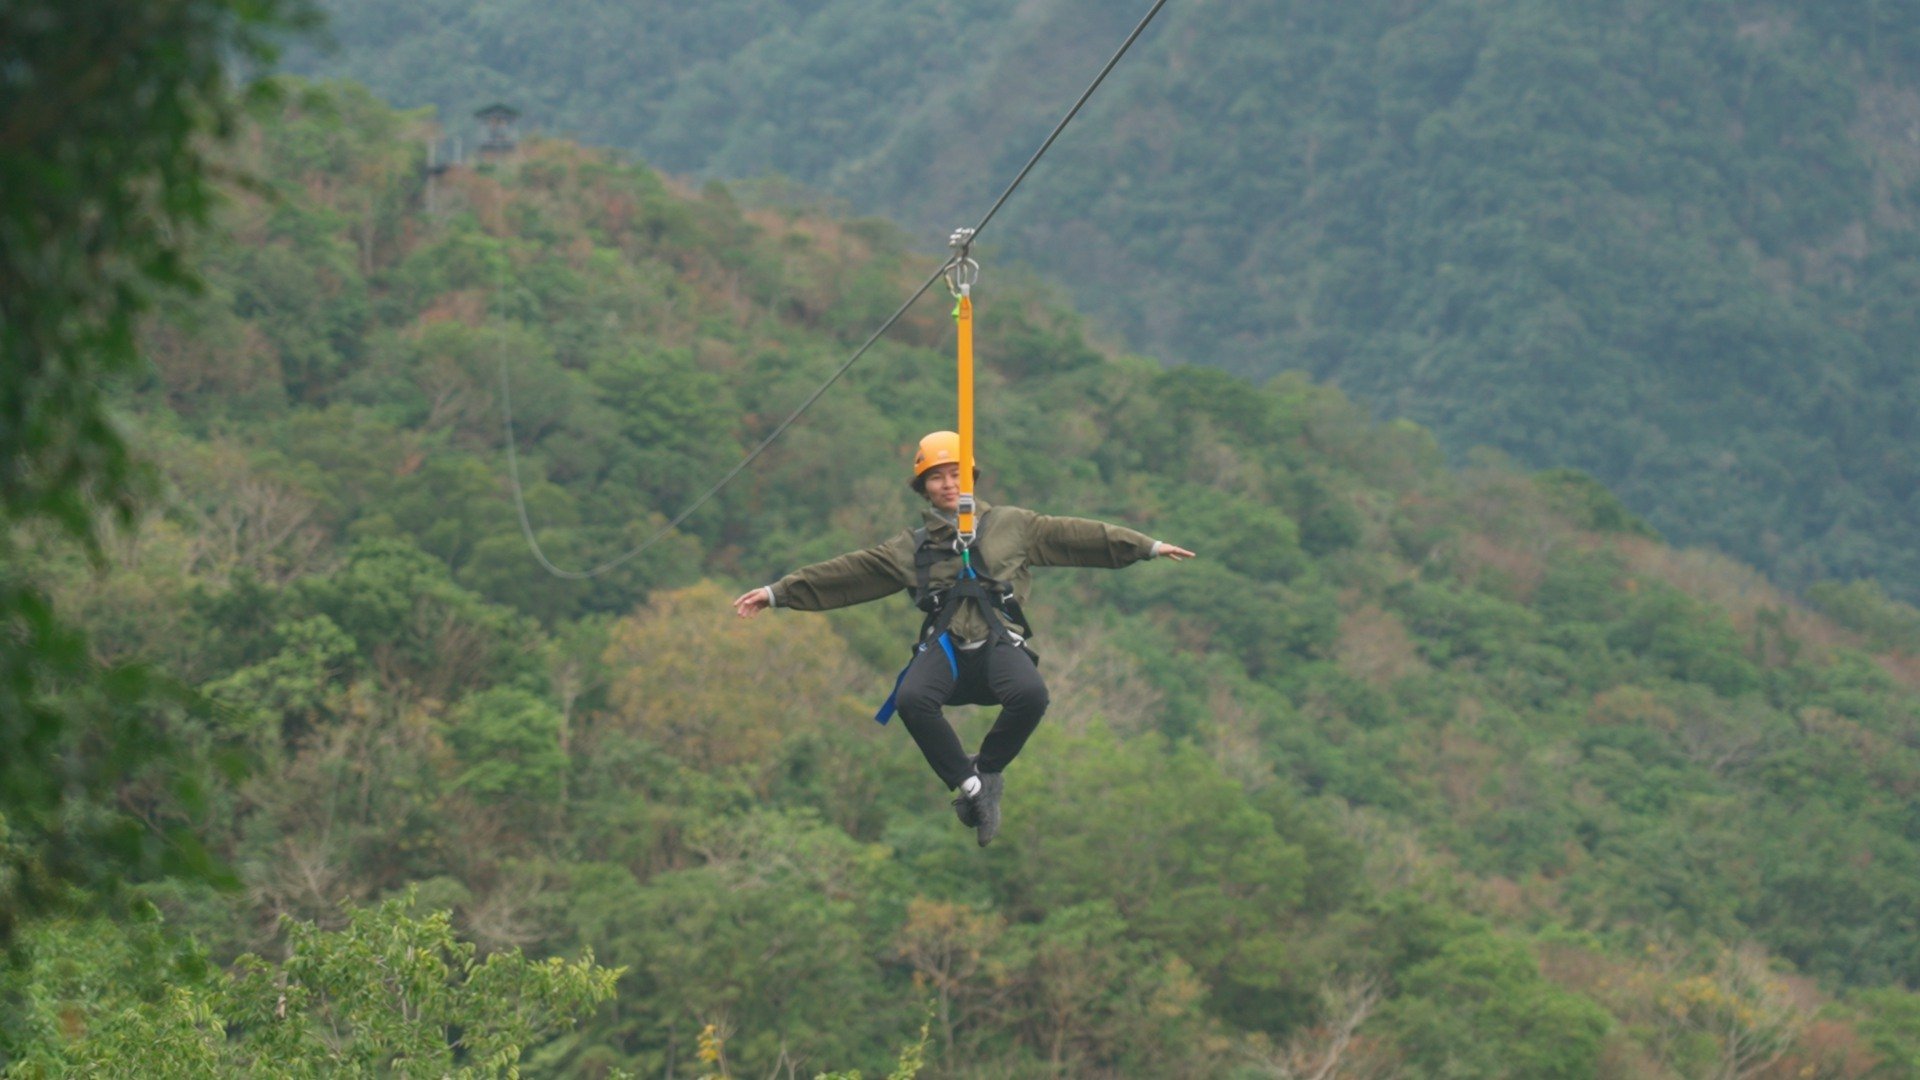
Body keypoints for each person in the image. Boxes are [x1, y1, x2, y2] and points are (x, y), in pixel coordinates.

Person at [732, 431, 1194, 845]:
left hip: (997, 643)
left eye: (956, 474)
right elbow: (852, 571)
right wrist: (778, 593)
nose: (948, 484)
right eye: (937, 478)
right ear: (924, 488)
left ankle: (989, 770)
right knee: (912, 700)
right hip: (947, 645)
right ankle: (971, 788)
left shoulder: (1014, 525)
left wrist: (1146, 546)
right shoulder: (912, 547)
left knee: (1032, 695)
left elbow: (1078, 536)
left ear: (970, 477)